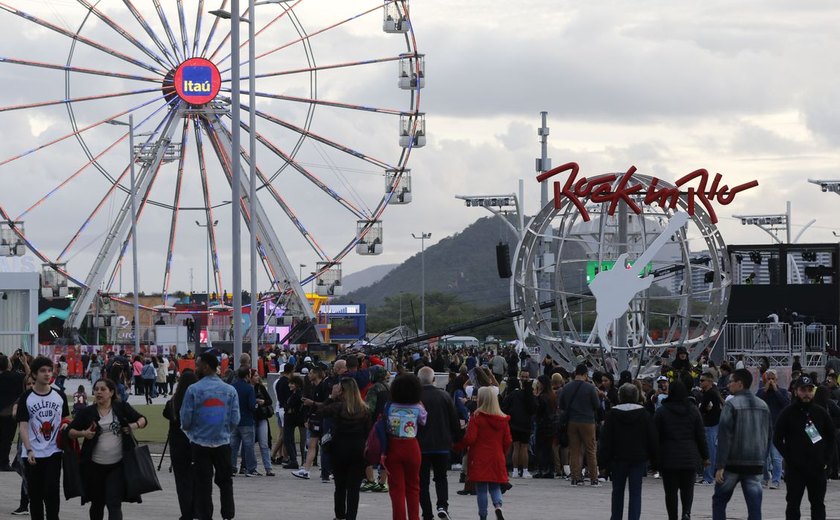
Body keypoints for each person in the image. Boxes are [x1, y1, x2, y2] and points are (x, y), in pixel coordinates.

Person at [68, 378, 147, 520]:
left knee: (114, 502)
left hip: (117, 464)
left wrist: (133, 426)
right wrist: (83, 433)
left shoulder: (121, 407)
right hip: (94, 466)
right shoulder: (87, 412)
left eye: (103, 389)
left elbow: (143, 419)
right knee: (97, 503)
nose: (99, 392)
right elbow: (69, 431)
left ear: (111, 392)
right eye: (96, 389)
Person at [180, 352, 240, 520]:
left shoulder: (194, 389)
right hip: (222, 442)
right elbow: (235, 419)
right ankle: (228, 514)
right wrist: (225, 430)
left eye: (198, 365)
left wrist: (193, 431)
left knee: (203, 485)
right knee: (226, 482)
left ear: (206, 366)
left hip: (200, 443)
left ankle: (205, 515)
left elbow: (185, 419)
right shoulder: (229, 390)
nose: (196, 368)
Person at [773, 375, 835, 520]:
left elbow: (831, 437)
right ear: (796, 391)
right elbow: (777, 438)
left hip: (817, 468)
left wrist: (826, 459)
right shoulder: (787, 413)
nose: (806, 393)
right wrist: (789, 457)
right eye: (803, 390)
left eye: (809, 390)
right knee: (793, 505)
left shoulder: (820, 412)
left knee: (818, 505)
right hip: (795, 470)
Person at [16, 356, 70, 520]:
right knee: (35, 494)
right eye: (42, 371)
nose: (47, 374)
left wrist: (66, 426)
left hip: (54, 451)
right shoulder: (26, 398)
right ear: (34, 374)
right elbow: (23, 427)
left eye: (49, 370)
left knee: (52, 490)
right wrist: (29, 449)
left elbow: (66, 419)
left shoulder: (60, 395)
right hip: (32, 453)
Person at [712, 368, 771, 520]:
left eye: (731, 381)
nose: (729, 385)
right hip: (755, 463)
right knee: (755, 507)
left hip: (733, 462)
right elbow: (767, 435)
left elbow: (725, 435)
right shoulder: (763, 405)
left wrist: (720, 466)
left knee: (719, 501)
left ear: (740, 383)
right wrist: (763, 460)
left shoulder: (731, 404)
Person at [598, 383, 658, 520]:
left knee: (617, 492)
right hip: (638, 458)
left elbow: (606, 440)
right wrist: (655, 461)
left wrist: (602, 463)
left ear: (620, 396)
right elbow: (652, 438)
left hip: (617, 458)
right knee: (636, 493)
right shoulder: (644, 414)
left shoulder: (612, 414)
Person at [454, 386, 511, 520]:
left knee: (481, 489)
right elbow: (508, 440)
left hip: (480, 457)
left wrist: (457, 446)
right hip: (497, 456)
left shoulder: (477, 417)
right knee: (495, 486)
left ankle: (483, 516)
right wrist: (502, 453)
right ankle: (498, 506)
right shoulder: (503, 419)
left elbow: (470, 438)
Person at [654, 380, 709, 520]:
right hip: (689, 456)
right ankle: (686, 513)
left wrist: (655, 458)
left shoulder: (662, 411)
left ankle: (673, 517)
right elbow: (700, 435)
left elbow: (655, 436)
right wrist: (705, 456)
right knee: (688, 488)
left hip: (669, 457)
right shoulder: (693, 410)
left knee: (670, 491)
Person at [322, 378, 370, 520]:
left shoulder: (337, 407)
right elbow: (368, 432)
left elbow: (320, 412)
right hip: (358, 448)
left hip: (339, 448)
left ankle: (339, 515)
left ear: (342, 391)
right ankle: (351, 516)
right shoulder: (364, 409)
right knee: (354, 488)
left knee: (340, 486)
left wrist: (331, 397)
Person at [417, 367, 460, 520]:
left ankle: (427, 513)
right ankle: (442, 506)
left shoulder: (415, 397)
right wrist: (456, 438)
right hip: (442, 444)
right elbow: (454, 421)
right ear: (434, 379)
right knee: (441, 478)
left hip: (420, 446)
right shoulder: (444, 396)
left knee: (422, 482)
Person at [384, 373, 428, 520]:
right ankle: (414, 517)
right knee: (413, 487)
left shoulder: (389, 406)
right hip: (412, 446)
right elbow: (423, 421)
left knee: (397, 489)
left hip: (393, 446)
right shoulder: (418, 407)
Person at [163, 369, 197, 520]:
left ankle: (186, 512)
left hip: (177, 445)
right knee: (197, 478)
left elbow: (166, 414)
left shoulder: (173, 402)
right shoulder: (197, 400)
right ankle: (197, 508)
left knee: (182, 480)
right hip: (195, 443)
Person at [558, 363, 600, 486]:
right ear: (585, 374)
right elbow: (596, 405)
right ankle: (593, 478)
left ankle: (576, 477)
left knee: (574, 450)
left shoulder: (567, 387)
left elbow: (562, 405)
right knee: (590, 450)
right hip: (588, 421)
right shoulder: (590, 388)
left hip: (572, 421)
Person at [755, 368, 790, 489]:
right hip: (763, 428)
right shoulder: (761, 392)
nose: (770, 381)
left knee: (776, 458)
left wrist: (776, 390)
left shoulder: (783, 392)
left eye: (772, 379)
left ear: (777, 380)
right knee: (763, 457)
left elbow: (786, 404)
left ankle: (775, 481)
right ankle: (765, 479)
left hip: (777, 428)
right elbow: (756, 404)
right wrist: (765, 390)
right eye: (768, 379)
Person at [501, 373, 535, 479]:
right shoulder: (528, 394)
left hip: (514, 423)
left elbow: (504, 408)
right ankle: (525, 470)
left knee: (515, 447)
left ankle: (515, 470)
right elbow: (533, 408)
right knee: (524, 447)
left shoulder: (512, 395)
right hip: (525, 423)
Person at [229, 367, 258, 477]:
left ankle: (231, 467)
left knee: (233, 445)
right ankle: (250, 468)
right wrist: (256, 404)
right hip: (246, 420)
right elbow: (252, 405)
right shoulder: (249, 388)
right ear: (247, 376)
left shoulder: (232, 387)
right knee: (249, 445)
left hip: (234, 420)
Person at [0, 353, 25, 471]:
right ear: (8, 365)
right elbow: (30, 376)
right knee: (7, 439)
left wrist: (9, 359)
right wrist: (24, 363)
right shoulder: (15, 377)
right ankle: (3, 463)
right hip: (9, 412)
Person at [698, 371, 723, 485]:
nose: (700, 382)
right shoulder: (712, 392)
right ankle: (709, 476)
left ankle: (708, 477)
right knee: (711, 451)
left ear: (709, 381)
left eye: (702, 380)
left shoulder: (710, 393)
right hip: (712, 424)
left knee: (710, 452)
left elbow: (704, 409)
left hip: (711, 425)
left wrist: (703, 410)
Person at [250, 369, 274, 476]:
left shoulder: (261, 387)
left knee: (264, 444)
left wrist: (263, 402)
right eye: (255, 376)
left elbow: (269, 401)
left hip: (262, 417)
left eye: (258, 375)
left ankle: (268, 468)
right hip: (252, 418)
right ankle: (252, 467)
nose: (257, 377)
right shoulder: (248, 388)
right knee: (250, 444)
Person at [532, 375, 557, 478]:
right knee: (549, 448)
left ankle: (541, 469)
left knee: (540, 447)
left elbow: (538, 411)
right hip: (551, 424)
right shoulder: (552, 396)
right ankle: (550, 469)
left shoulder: (541, 397)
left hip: (542, 424)